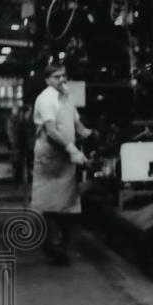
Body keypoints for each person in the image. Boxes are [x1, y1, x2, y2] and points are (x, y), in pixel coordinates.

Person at [31, 63, 92, 265]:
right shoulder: (46, 99)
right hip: (50, 156)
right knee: (50, 204)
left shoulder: (66, 96)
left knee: (68, 204)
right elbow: (51, 130)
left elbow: (77, 123)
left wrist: (89, 134)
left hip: (66, 157)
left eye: (64, 76)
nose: (62, 80)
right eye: (57, 77)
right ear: (48, 79)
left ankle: (62, 247)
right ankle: (52, 244)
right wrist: (71, 148)